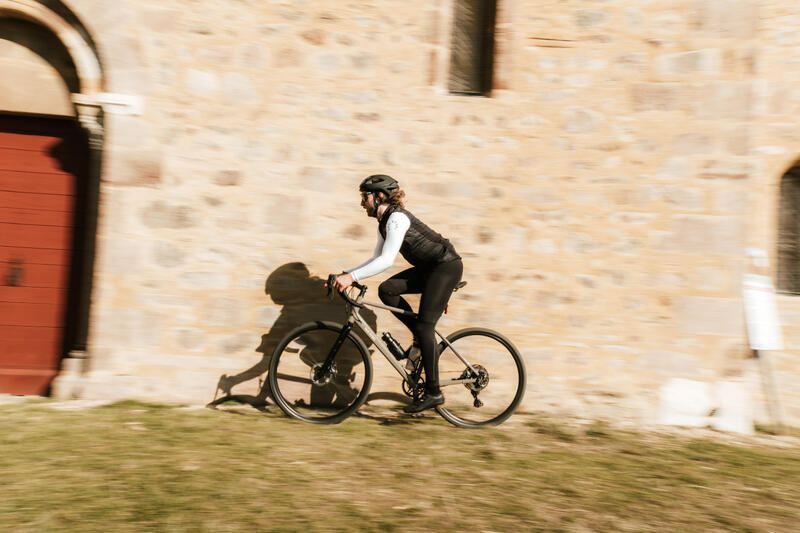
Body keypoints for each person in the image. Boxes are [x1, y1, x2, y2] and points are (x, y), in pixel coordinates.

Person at [332, 175, 463, 413]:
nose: (362, 202)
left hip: (445, 267)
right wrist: (348, 274)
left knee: (425, 327)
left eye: (365, 197)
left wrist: (352, 278)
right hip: (431, 270)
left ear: (379, 196)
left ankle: (434, 393)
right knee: (387, 290)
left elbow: (386, 260)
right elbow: (376, 258)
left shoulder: (397, 219)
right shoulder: (384, 222)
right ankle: (420, 338)